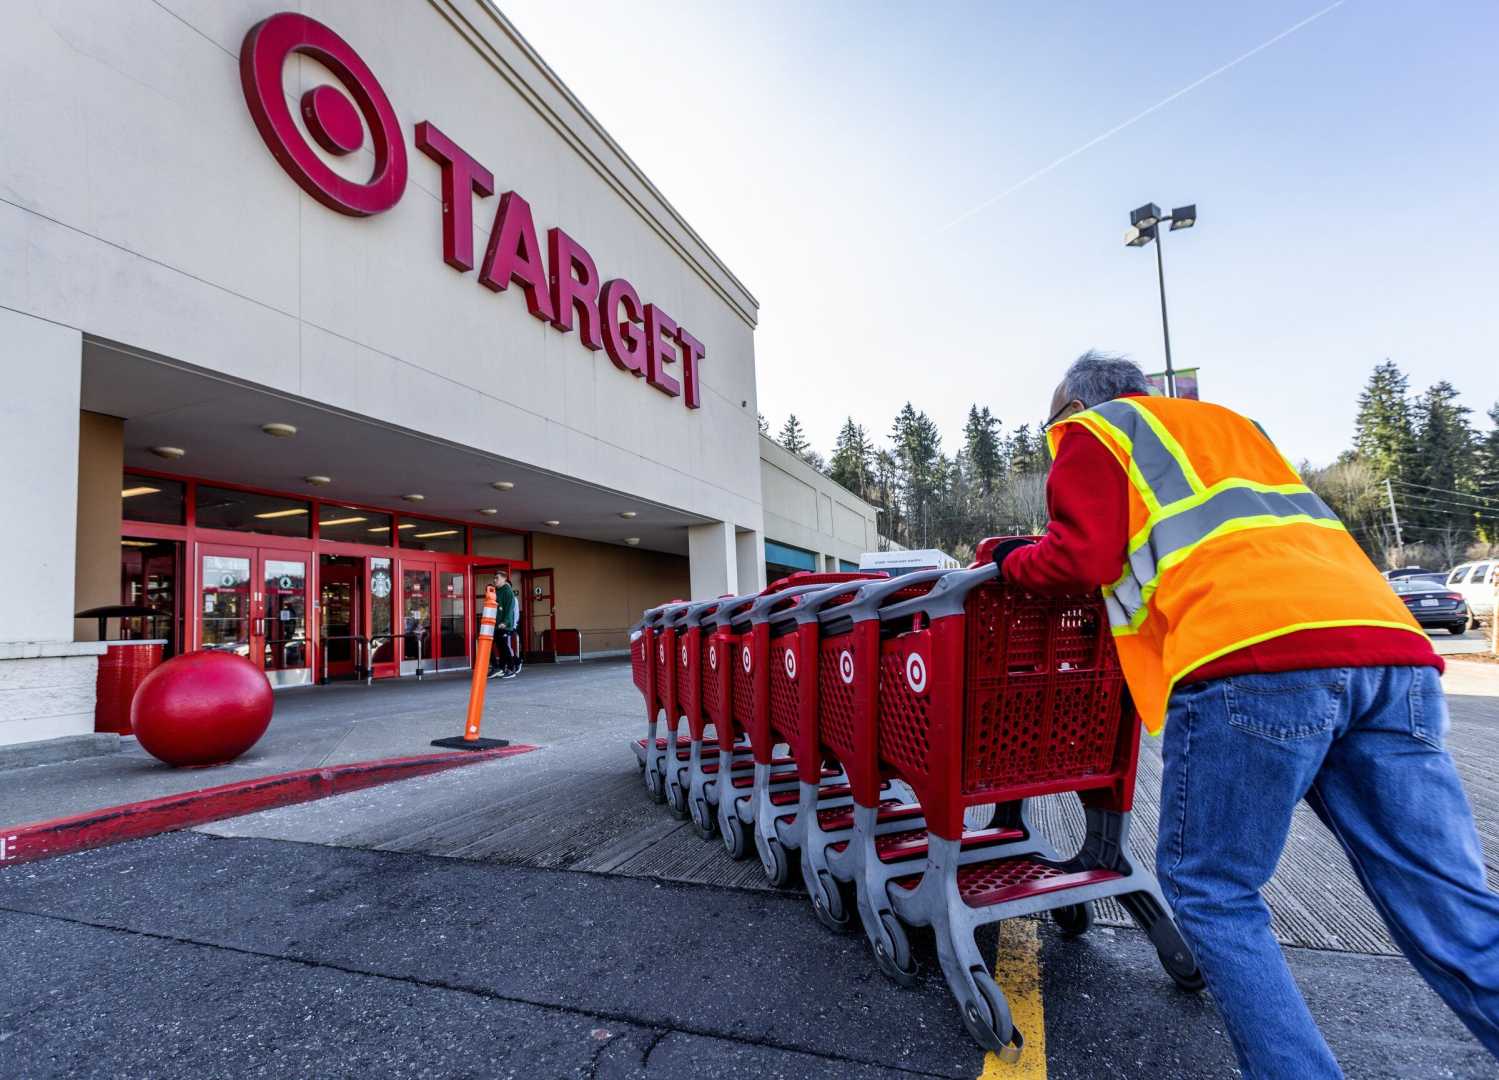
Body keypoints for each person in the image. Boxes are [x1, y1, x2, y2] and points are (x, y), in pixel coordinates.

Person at [992, 351, 1499, 1077]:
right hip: (1391, 655)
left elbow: (1081, 558)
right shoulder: (1231, 428)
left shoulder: (1095, 431)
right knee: (1446, 900)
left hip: (1253, 656)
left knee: (1212, 890)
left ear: (1069, 408)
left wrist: (1009, 562)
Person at [488, 571, 520, 680]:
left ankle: (511, 669)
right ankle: (499, 668)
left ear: (503, 579)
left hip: (504, 625)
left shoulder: (508, 592)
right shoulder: (496, 590)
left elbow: (509, 609)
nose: (494, 580)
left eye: (497, 578)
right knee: (495, 646)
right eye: (494, 578)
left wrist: (505, 622)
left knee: (504, 647)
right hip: (496, 624)